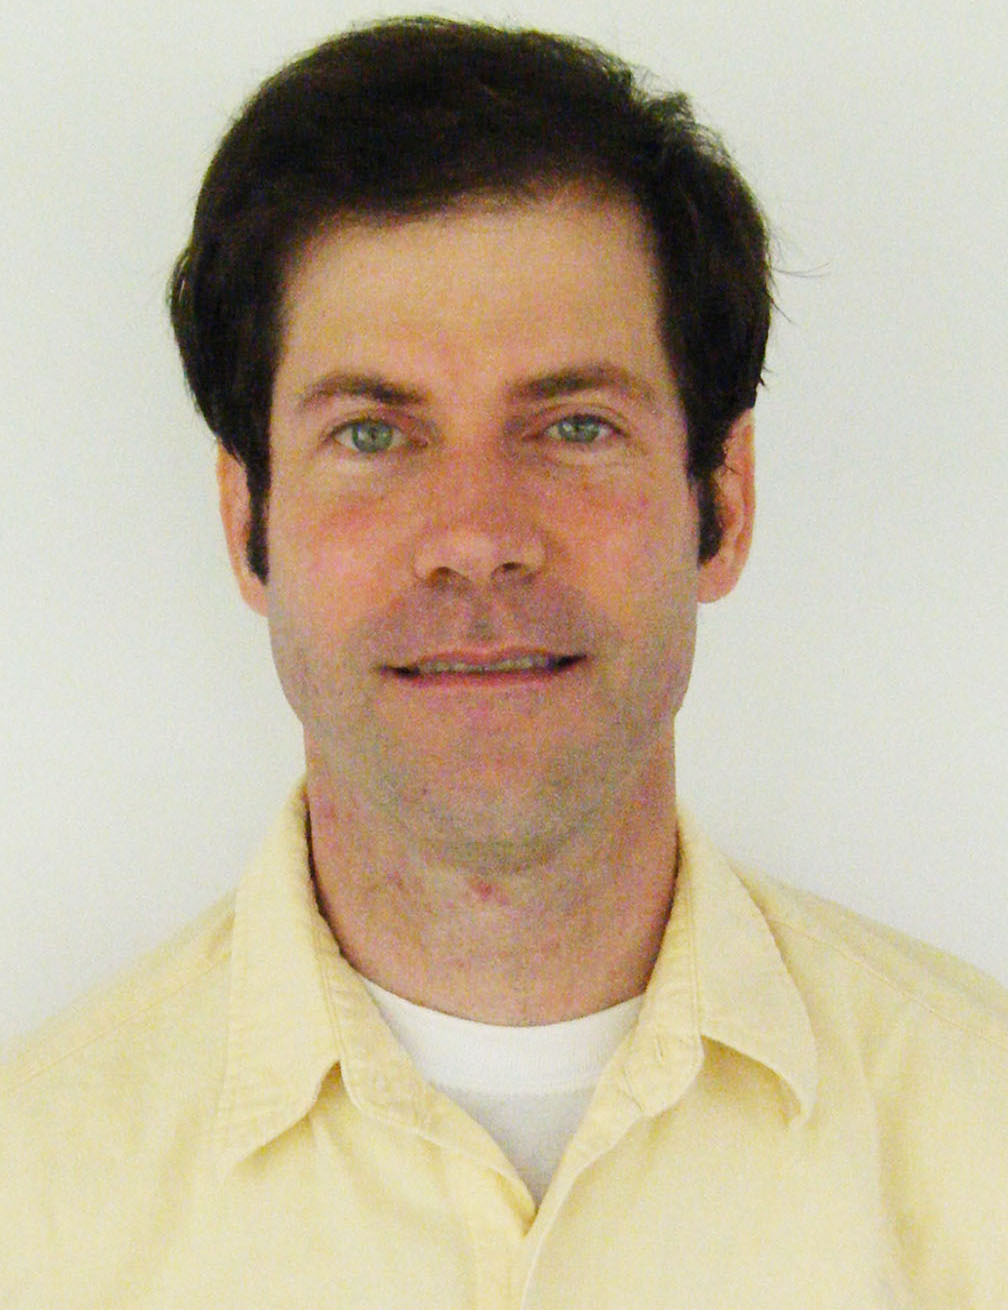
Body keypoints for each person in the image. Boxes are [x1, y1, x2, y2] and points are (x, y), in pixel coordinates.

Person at [2, 16, 1006, 1308]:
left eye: (574, 426)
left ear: (724, 500)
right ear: (247, 522)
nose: (475, 537)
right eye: (373, 435)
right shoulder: (31, 1205)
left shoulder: (981, 1148)